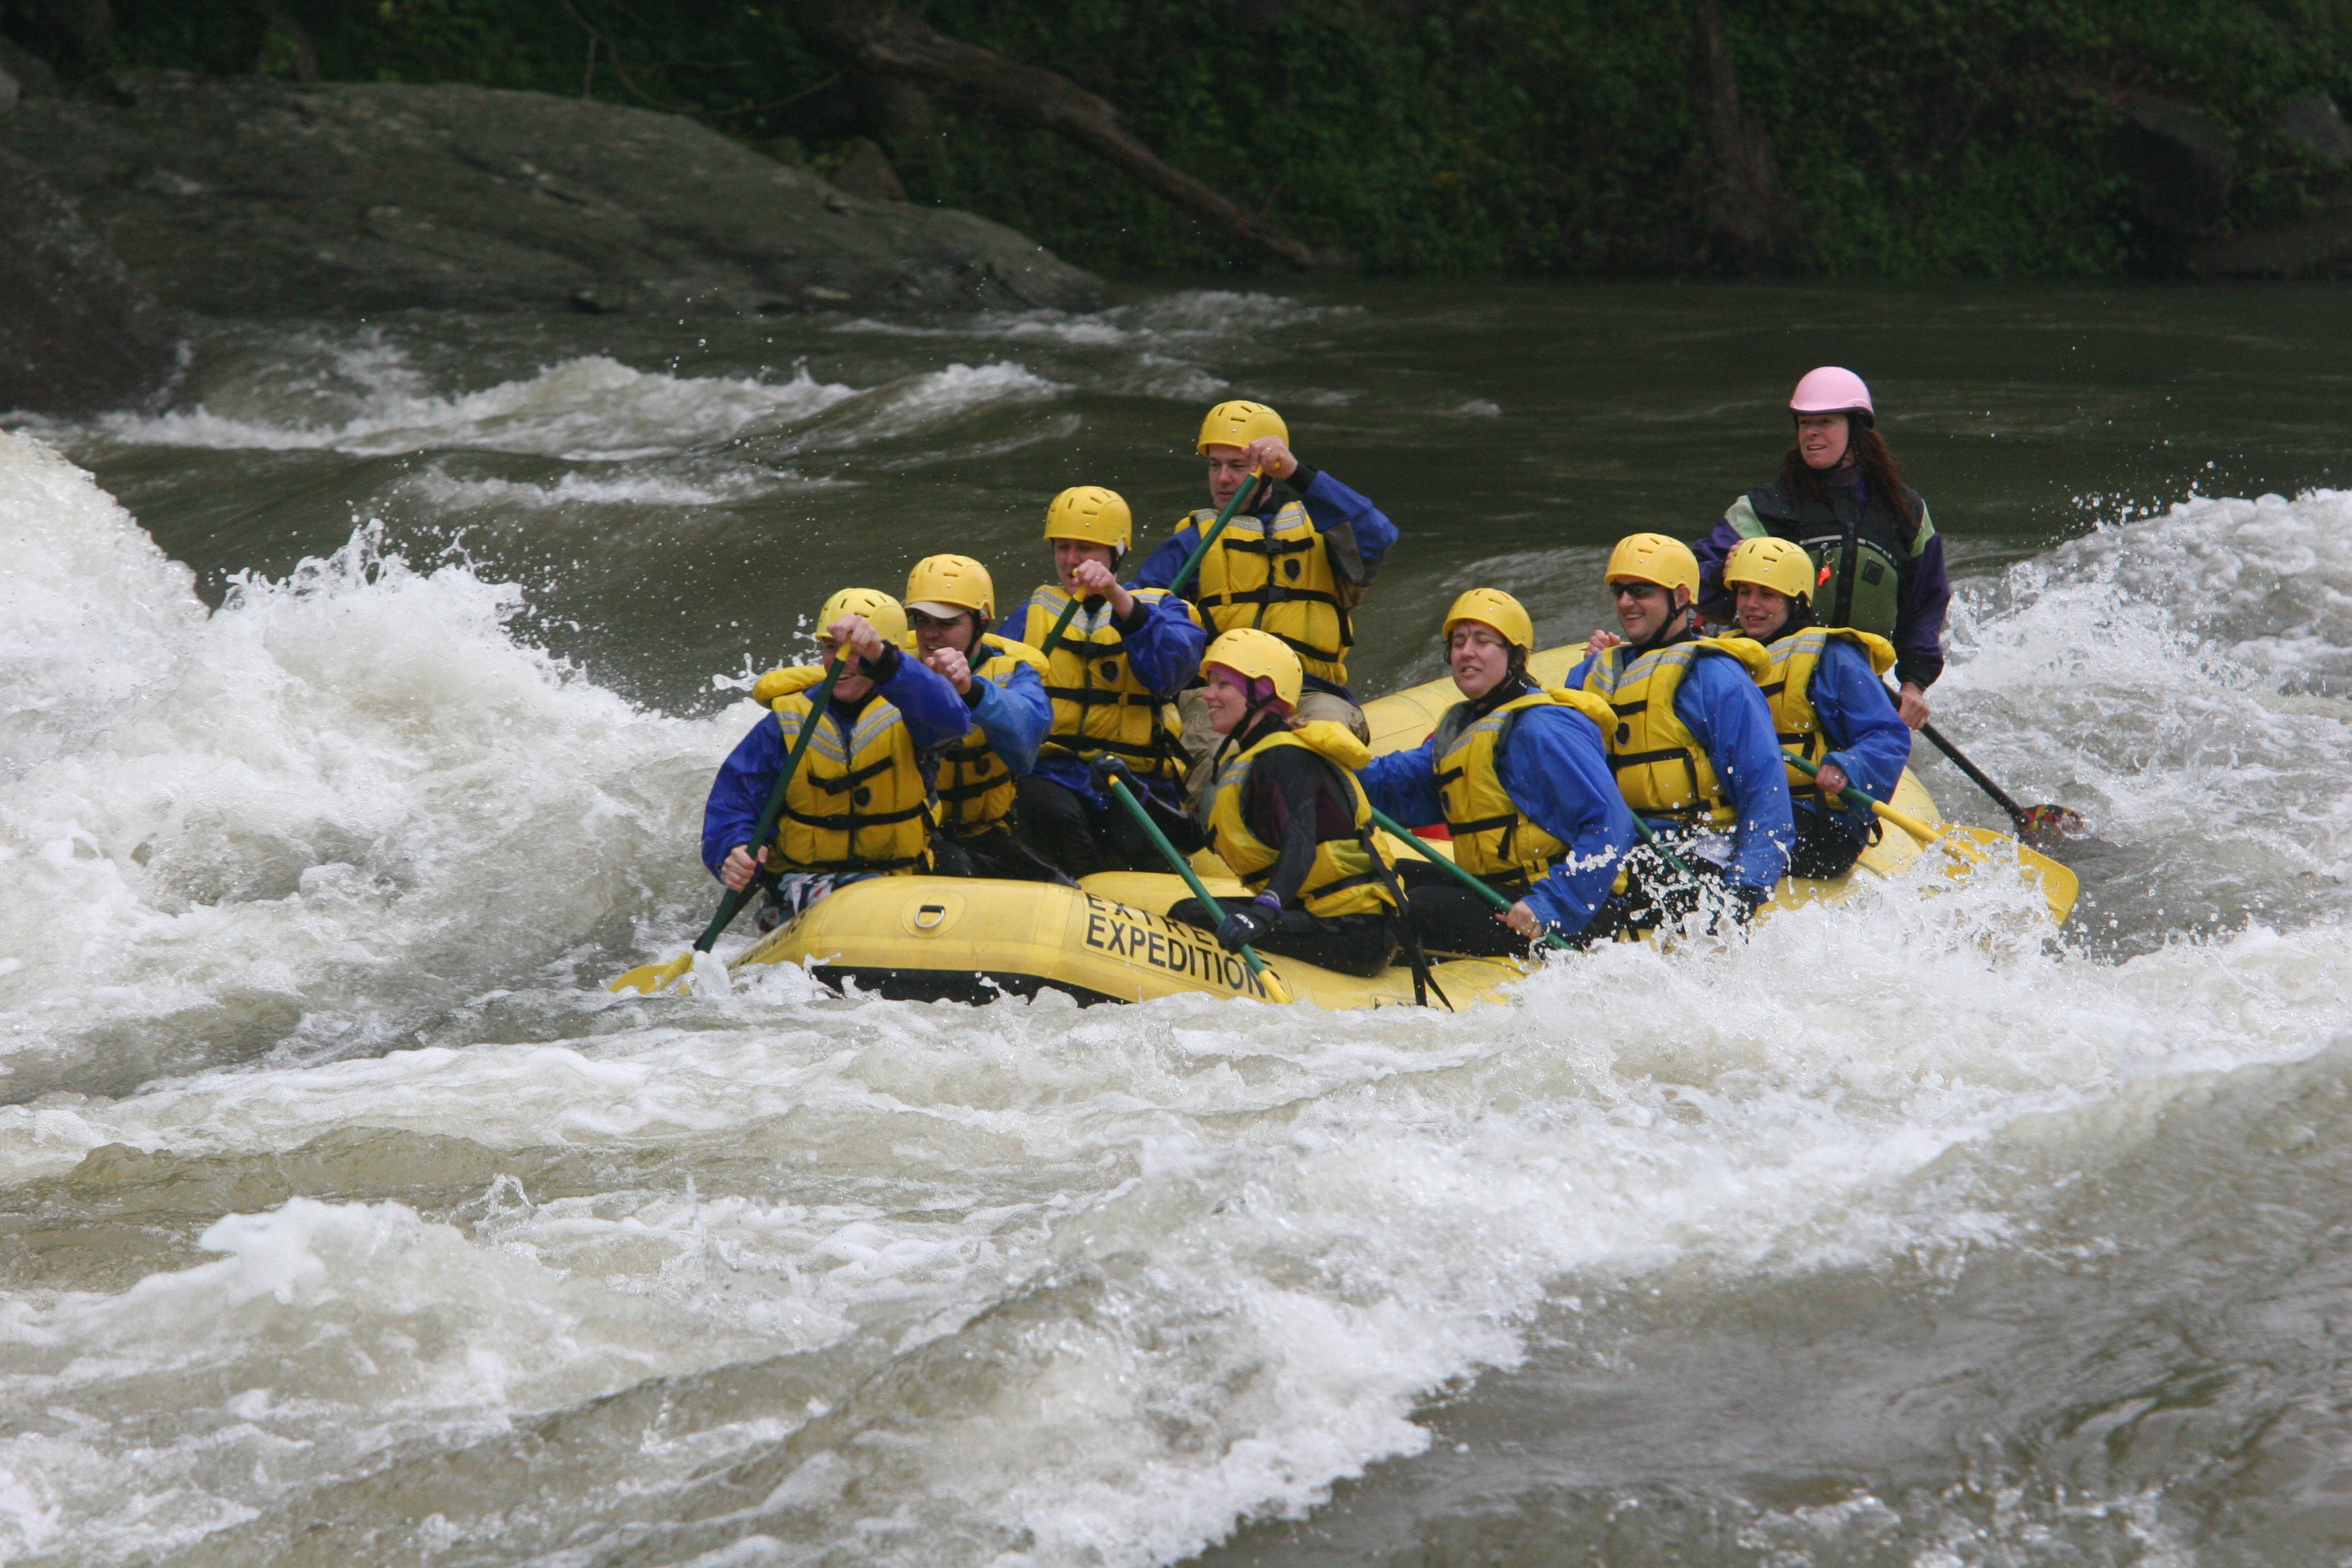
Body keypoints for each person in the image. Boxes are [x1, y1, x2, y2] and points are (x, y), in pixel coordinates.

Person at [1357, 590, 1639, 956]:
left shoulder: (1543, 727)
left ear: (1517, 655)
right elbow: (1397, 783)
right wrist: (1322, 764)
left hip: (1569, 912)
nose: (1466, 652)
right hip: (1500, 893)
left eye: (1482, 641)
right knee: (1382, 875)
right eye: (1458, 642)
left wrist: (1550, 904)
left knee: (1415, 905)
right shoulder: (1466, 728)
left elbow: (1610, 826)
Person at [1132, 400, 1398, 773]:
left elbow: (1378, 536)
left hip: (1311, 692)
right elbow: (1138, 614)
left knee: (1324, 753)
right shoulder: (1194, 543)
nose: (1223, 479)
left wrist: (1298, 473)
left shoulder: (1326, 534)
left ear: (1270, 472)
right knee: (1220, 764)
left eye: (1237, 466)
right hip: (1219, 697)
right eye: (1215, 465)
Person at [1692, 366, 1949, 729]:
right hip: (1771, 685)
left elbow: (1926, 603)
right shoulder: (1764, 507)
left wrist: (1914, 685)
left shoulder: (1905, 512)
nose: (1811, 433)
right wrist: (1723, 572)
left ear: (1856, 429)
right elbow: (1694, 586)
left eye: (1825, 422)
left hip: (1860, 687)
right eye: (1803, 424)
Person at [1147, 628, 1402, 979]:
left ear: (1261, 691)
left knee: (1192, 915)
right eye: (1210, 684)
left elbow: (1301, 845)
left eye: (1222, 685)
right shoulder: (1248, 758)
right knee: (1188, 911)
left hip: (1357, 931)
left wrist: (1262, 914)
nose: (1207, 696)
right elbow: (1194, 837)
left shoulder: (1286, 756)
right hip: (1319, 915)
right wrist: (1132, 788)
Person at [705, 589, 969, 928]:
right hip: (802, 882)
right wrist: (734, 848)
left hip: (898, 879)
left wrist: (880, 655)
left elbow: (951, 719)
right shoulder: (785, 722)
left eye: (857, 653)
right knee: (850, 902)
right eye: (831, 648)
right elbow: (736, 801)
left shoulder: (915, 712)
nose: (841, 662)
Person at [1568, 533, 1794, 926]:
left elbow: (1764, 791)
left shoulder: (1717, 677)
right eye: (1619, 592)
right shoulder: (1591, 675)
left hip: (1698, 854)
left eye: (1640, 592)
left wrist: (1744, 888)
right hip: (1617, 850)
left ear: (1681, 597)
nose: (1625, 603)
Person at [1010, 485, 1208, 879]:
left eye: (1085, 549)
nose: (1070, 561)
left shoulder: (1162, 606)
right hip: (1056, 775)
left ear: (1115, 554)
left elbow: (1171, 674)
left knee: (1138, 841)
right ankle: (1076, 892)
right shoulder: (1032, 613)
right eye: (1062, 547)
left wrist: (1118, 598)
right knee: (1045, 808)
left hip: (1134, 779)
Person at [1720, 536, 1913, 881]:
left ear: (1796, 601)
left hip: (1819, 824)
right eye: (1744, 592)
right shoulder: (1721, 655)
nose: (1751, 605)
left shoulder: (1832, 656)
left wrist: (1846, 767)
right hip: (1742, 814)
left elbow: (1888, 736)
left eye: (1767, 595)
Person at [899, 553, 1069, 884]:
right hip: (919, 837)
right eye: (922, 621)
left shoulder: (1015, 672)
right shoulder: (893, 672)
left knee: (1060, 886)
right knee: (958, 869)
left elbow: (1030, 730)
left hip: (984, 832)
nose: (931, 635)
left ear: (982, 622)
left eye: (947, 624)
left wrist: (971, 690)